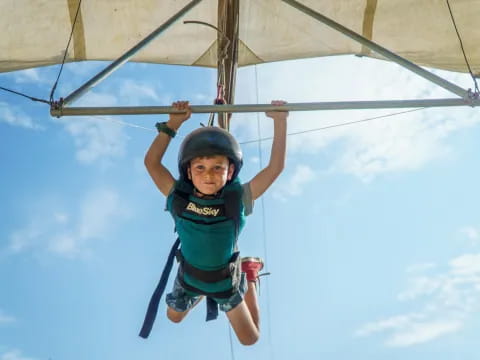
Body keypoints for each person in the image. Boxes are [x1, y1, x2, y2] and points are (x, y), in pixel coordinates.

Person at [143, 100, 287, 345]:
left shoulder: (237, 199)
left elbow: (274, 168)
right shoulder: (178, 196)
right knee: (173, 317)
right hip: (189, 279)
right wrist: (172, 124)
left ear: (229, 172)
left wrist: (280, 122)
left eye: (217, 167)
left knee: (250, 338)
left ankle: (249, 273)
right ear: (188, 171)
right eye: (200, 167)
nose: (208, 174)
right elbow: (152, 163)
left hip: (225, 283)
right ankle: (202, 293)